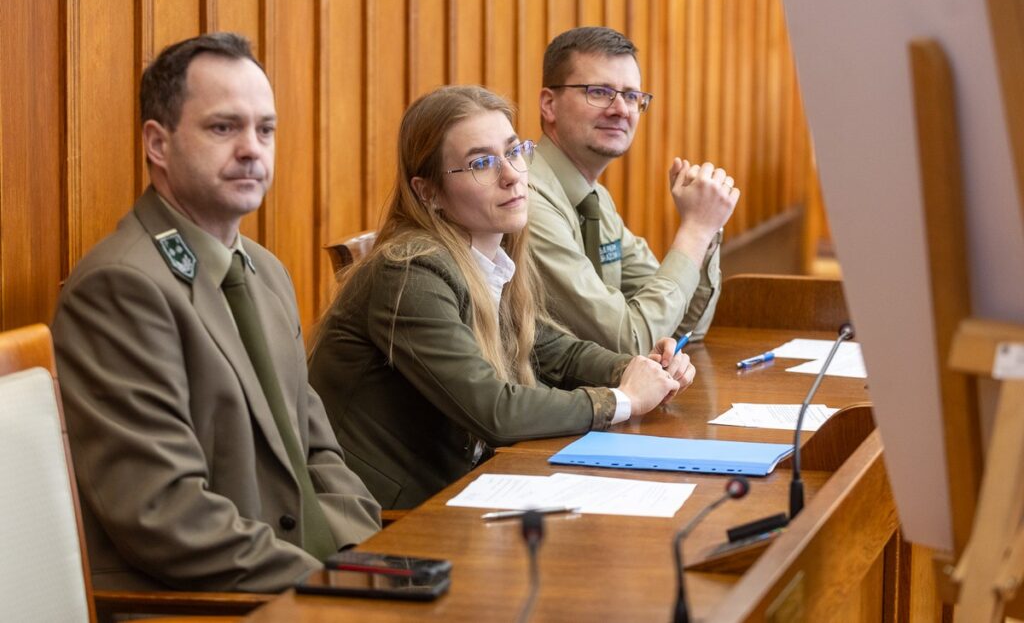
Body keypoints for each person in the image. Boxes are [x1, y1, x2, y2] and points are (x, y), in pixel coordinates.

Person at [51, 32, 380, 593]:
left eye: (265, 129)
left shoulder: (265, 269)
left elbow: (319, 450)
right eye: (224, 128)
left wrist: (362, 560)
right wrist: (325, 584)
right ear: (158, 143)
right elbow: (165, 514)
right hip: (211, 601)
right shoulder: (121, 288)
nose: (252, 148)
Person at [308, 85, 694, 510]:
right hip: (392, 521)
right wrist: (622, 399)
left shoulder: (491, 256)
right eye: (481, 163)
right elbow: (494, 411)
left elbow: (556, 353)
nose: (511, 174)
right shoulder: (409, 270)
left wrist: (640, 369)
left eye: (514, 152)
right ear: (427, 192)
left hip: (470, 488)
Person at [529, 26, 741, 354]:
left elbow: (686, 327)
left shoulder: (594, 200)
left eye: (631, 96)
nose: (621, 109)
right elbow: (631, 341)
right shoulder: (526, 200)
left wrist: (706, 228)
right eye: (598, 91)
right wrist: (696, 230)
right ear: (549, 104)